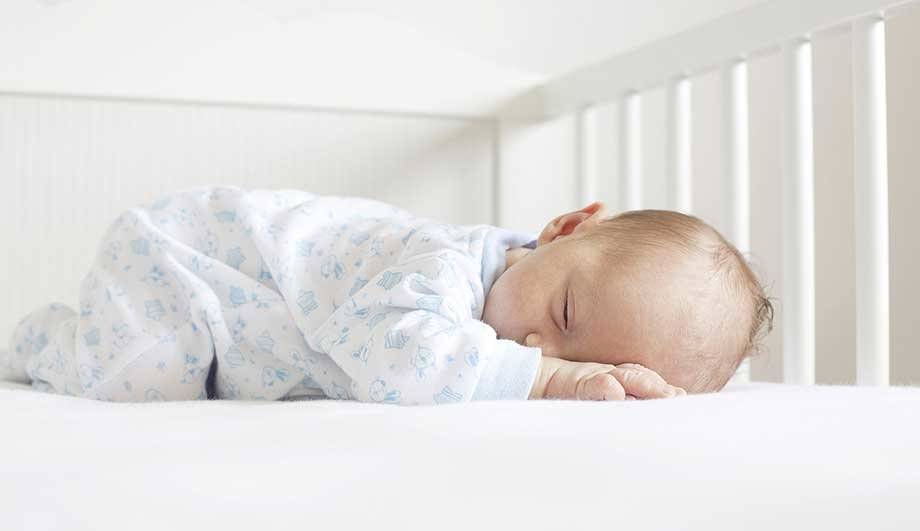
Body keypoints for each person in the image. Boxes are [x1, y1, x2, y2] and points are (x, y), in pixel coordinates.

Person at [3, 186, 771, 405]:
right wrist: (553, 380)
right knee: (135, 375)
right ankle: (38, 342)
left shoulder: (500, 322)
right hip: (185, 266)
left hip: (229, 317)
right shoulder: (444, 267)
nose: (537, 347)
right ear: (564, 228)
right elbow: (397, 359)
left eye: (587, 357)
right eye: (565, 314)